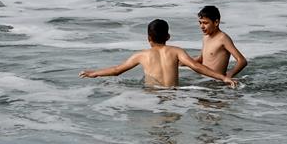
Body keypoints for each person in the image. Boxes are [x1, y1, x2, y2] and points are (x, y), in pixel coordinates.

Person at [80, 19, 236, 87]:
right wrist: (223, 77)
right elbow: (196, 66)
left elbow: (116, 71)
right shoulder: (177, 51)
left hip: (153, 98)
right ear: (168, 37)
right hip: (175, 96)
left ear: (148, 38)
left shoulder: (141, 55)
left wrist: (94, 73)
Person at [194, 5, 247, 78]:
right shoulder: (205, 37)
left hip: (216, 84)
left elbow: (242, 61)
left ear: (216, 22)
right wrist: (182, 62)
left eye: (205, 23)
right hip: (203, 80)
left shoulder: (223, 38)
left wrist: (229, 75)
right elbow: (201, 58)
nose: (202, 26)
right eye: (200, 23)